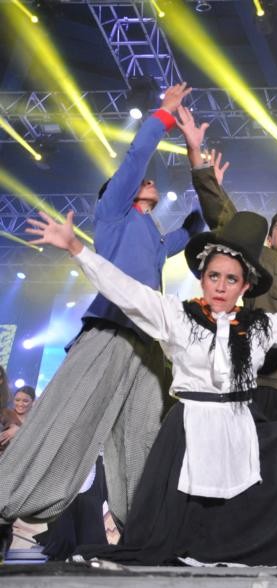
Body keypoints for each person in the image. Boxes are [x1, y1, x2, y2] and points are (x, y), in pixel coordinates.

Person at [26, 209, 277, 566]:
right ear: (202, 278)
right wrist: (76, 248)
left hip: (239, 426)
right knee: (177, 532)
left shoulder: (257, 327)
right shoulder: (177, 317)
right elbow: (125, 290)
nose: (221, 286)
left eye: (231, 279)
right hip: (189, 431)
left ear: (245, 286)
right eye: (214, 276)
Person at [0, 84, 203, 532]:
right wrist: (164, 114)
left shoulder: (156, 237)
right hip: (110, 329)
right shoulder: (113, 214)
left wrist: (200, 162)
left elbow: (196, 228)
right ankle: (5, 499)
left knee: (142, 435)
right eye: (142, 183)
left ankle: (140, 529)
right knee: (66, 417)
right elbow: (136, 160)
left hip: (148, 344)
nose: (150, 182)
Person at [176, 107, 277, 421]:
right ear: (268, 239)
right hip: (268, 378)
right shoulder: (260, 261)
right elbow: (224, 217)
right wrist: (196, 155)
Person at [0, 385, 34, 452]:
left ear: (33, 402)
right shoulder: (5, 413)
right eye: (17, 400)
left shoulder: (35, 420)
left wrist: (19, 431)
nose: (20, 404)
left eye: (25, 401)